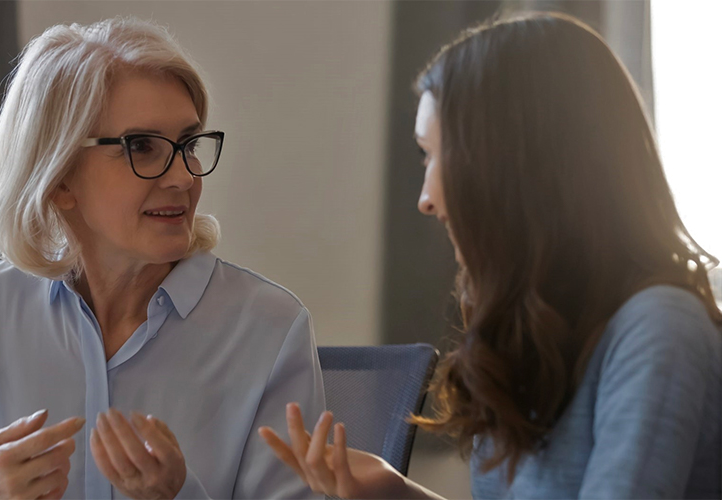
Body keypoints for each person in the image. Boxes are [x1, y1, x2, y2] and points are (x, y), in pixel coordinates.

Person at [260, 12, 722, 499]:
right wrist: (398, 494)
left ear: (512, 166)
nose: (426, 199)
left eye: (436, 155)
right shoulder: (534, 331)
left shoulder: (659, 329)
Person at [0, 17, 325, 500]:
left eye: (187, 144)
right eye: (141, 147)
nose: (184, 177)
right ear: (58, 178)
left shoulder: (271, 328)